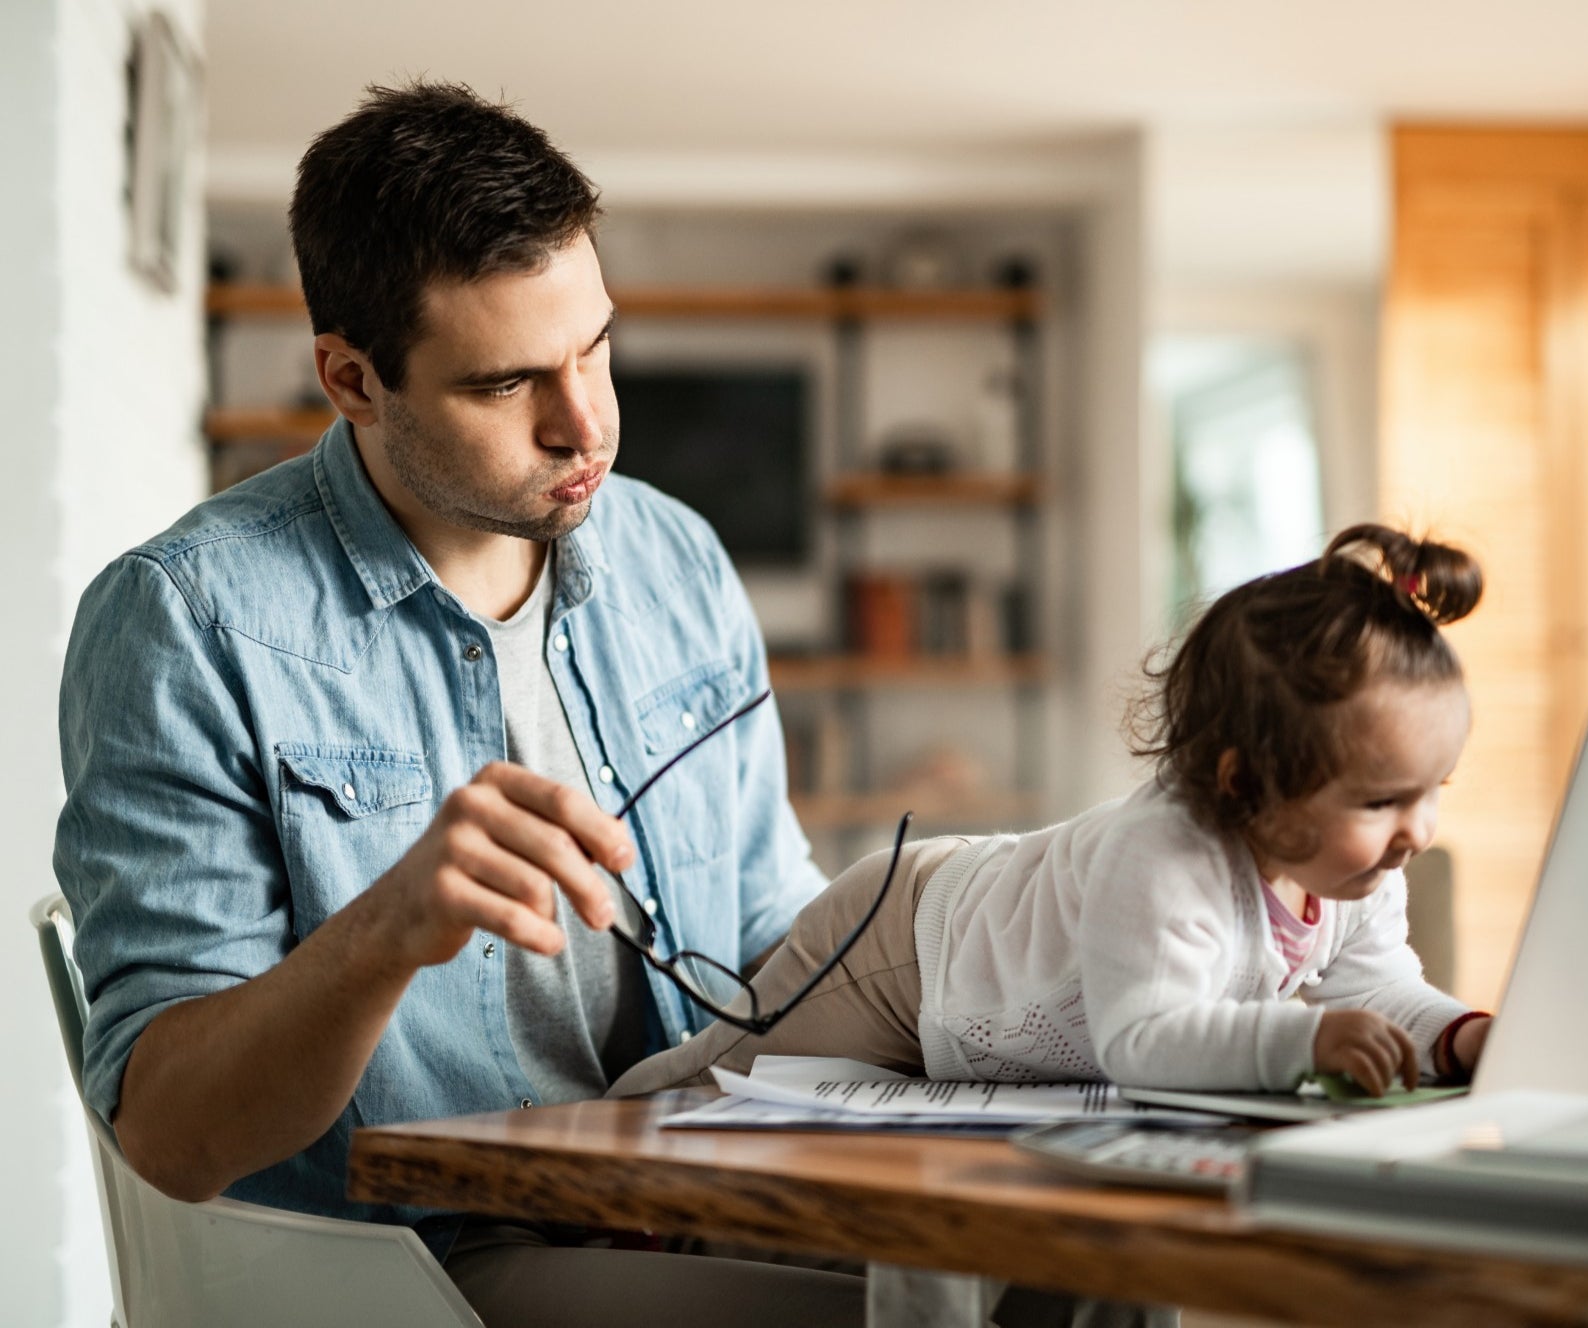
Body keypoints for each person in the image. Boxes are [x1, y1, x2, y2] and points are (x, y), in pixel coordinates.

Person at [54, 81, 865, 1326]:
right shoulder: (187, 620)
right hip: (406, 1263)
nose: (581, 421)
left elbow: (768, 930)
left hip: (695, 1199)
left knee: (1046, 1288)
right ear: (351, 378)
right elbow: (169, 1134)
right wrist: (381, 933)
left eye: (594, 346)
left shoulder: (677, 559)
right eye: (503, 386)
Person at [612, 524, 1494, 1101]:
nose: (1417, 832)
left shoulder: (1355, 874)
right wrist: (1306, 1039)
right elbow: (1144, 1039)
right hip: (907, 949)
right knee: (718, 1080)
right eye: (1382, 801)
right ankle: (581, 1157)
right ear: (1244, 782)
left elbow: (1378, 988)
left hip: (969, 1008)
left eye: (1433, 792)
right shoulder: (1167, 854)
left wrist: (1458, 1036)